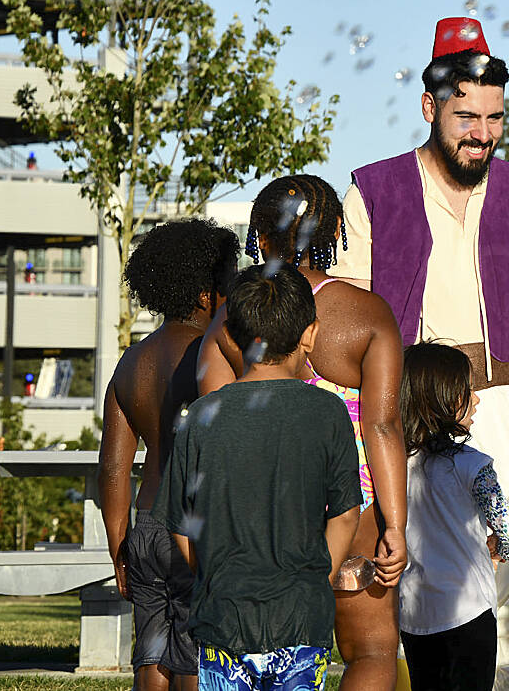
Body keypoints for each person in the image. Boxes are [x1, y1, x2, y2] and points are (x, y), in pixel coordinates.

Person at [330, 16, 509, 691]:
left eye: (494, 117)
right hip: (405, 415)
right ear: (430, 106)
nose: (482, 133)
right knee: (422, 595)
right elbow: (344, 324)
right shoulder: (374, 190)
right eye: (467, 115)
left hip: (501, 406)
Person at [198, 175, 408, 691]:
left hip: (256, 510)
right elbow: (383, 425)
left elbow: (213, 420)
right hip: (349, 500)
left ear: (260, 236)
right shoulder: (369, 313)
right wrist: (395, 526)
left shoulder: (231, 318)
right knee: (372, 650)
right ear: (336, 228)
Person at [154, 263, 363, 691]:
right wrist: (316, 580)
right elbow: (344, 514)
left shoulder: (201, 417)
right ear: (310, 334)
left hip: (222, 617)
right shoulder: (328, 412)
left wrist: (213, 574)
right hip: (302, 618)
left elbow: (181, 526)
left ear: (230, 336)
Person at [99, 218, 239, 691]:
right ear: (205, 295)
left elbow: (114, 467)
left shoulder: (131, 362)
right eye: (227, 286)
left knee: (151, 653)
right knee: (193, 656)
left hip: (145, 524)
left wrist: (119, 548)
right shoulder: (213, 357)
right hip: (195, 527)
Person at [397, 341, 509, 691]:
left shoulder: (394, 467)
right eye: (467, 390)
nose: (478, 398)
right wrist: (499, 549)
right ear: (442, 399)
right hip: (470, 612)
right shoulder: (474, 466)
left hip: (414, 614)